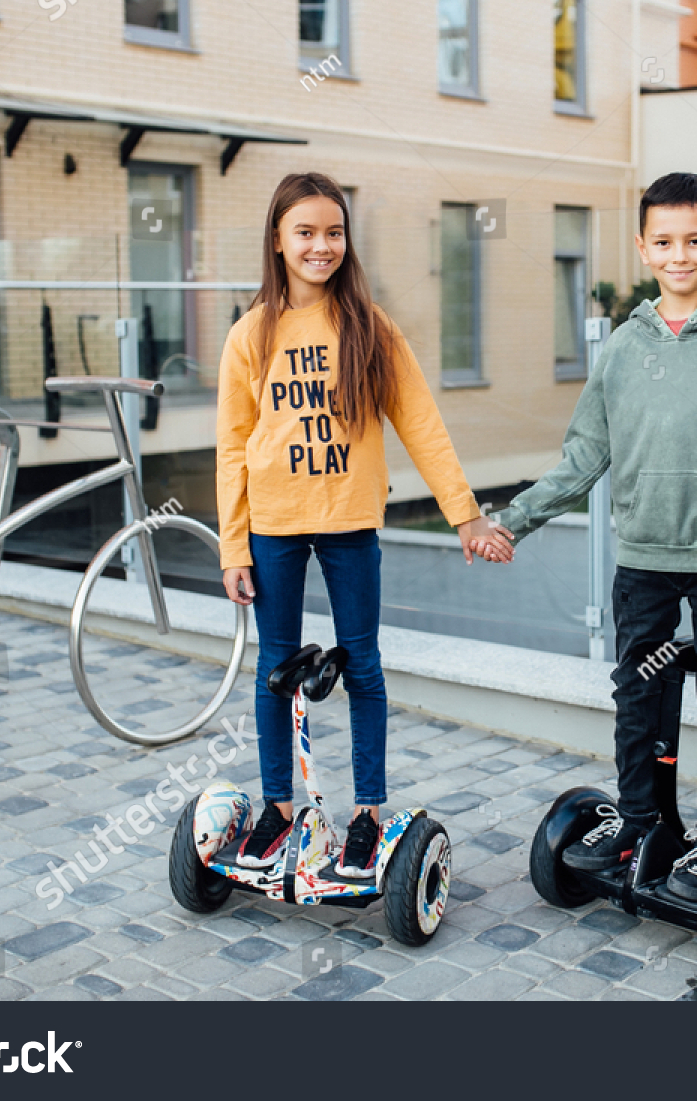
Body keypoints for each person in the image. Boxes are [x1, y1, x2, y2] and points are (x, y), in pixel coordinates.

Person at [472, 171, 697, 902]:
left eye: (696, 240)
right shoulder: (621, 347)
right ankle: (640, 817)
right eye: (666, 241)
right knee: (638, 698)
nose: (681, 255)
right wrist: (509, 521)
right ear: (643, 247)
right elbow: (583, 458)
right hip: (641, 562)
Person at [217, 172, 500, 878]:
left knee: (362, 664)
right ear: (278, 242)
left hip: (349, 523)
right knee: (275, 672)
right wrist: (232, 543)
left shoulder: (372, 328)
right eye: (304, 232)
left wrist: (464, 514)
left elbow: (422, 425)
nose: (321, 245)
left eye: (333, 232)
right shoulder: (251, 334)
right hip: (273, 529)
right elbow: (230, 446)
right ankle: (278, 807)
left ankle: (367, 812)